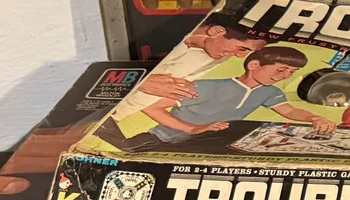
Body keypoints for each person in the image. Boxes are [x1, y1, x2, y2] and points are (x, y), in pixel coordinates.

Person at [97, 18, 266, 149]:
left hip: (108, 119)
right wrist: (138, 82)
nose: (240, 57)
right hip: (98, 113)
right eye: (242, 48)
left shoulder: (217, 55)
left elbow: (149, 103)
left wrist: (192, 129)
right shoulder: (155, 35)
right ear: (216, 32)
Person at [141, 46, 333, 142]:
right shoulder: (207, 86)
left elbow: (289, 111)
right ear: (254, 65)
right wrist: (192, 129)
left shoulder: (269, 92)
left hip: (204, 144)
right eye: (281, 69)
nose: (285, 76)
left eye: (291, 72)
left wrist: (315, 118)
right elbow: (151, 107)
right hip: (160, 140)